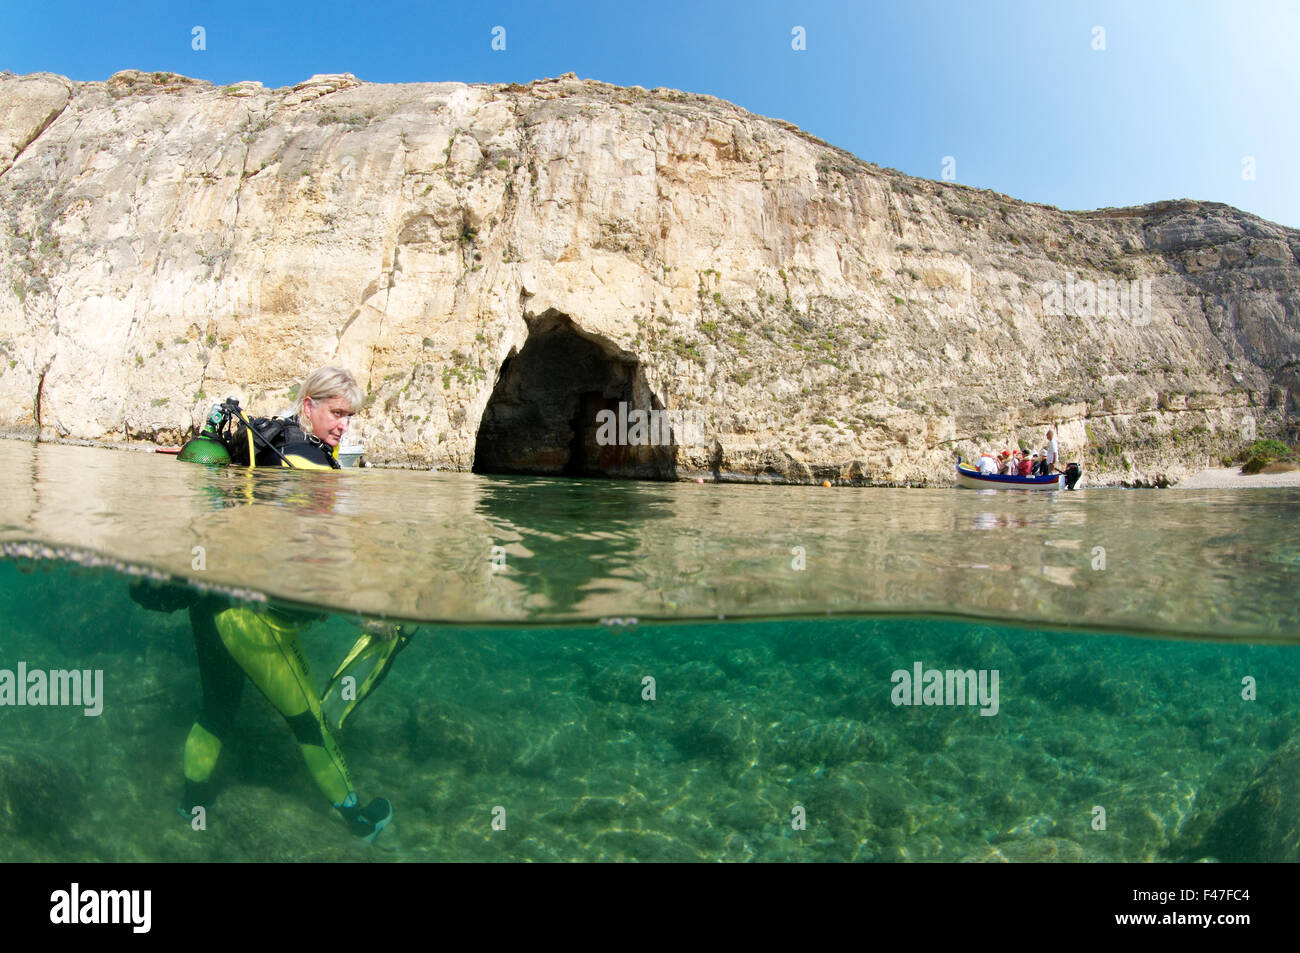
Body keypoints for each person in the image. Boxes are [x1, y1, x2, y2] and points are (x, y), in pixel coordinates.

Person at [138, 367, 397, 842]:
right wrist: (363, 603)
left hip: (212, 597)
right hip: (250, 617)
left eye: (349, 417)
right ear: (309, 405)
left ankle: (189, 804)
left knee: (217, 708)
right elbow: (319, 551)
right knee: (308, 722)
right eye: (336, 413)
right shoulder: (307, 463)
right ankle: (356, 817)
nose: (342, 425)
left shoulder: (271, 442)